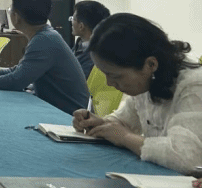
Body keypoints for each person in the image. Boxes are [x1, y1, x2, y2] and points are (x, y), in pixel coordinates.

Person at [72, 13, 202, 175]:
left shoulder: (194, 86)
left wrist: (125, 138)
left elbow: (187, 157)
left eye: (116, 76)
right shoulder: (147, 82)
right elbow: (123, 122)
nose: (109, 83)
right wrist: (99, 124)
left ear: (150, 64)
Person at [0, 0, 89, 114]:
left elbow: (17, 81)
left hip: (65, 115)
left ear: (16, 17)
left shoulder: (44, 40)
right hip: (59, 107)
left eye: (10, 10)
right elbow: (17, 70)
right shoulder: (46, 35)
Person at [71, 0, 111, 79]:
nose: (71, 21)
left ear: (81, 26)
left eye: (73, 19)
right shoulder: (80, 45)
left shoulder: (96, 57)